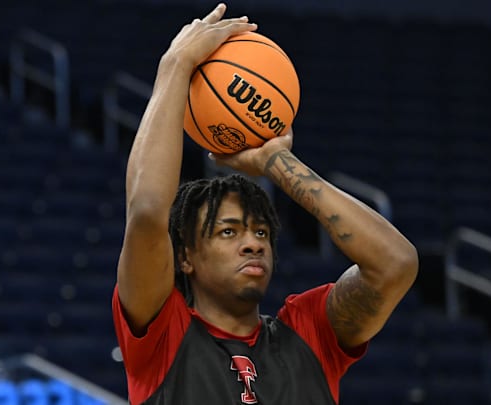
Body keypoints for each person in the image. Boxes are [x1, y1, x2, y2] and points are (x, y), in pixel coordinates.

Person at [112, 3, 419, 404]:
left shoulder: (310, 333)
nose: (254, 243)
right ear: (184, 256)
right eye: (228, 230)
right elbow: (148, 211)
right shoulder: (161, 334)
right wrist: (177, 64)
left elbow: (396, 265)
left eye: (260, 231)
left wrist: (277, 161)